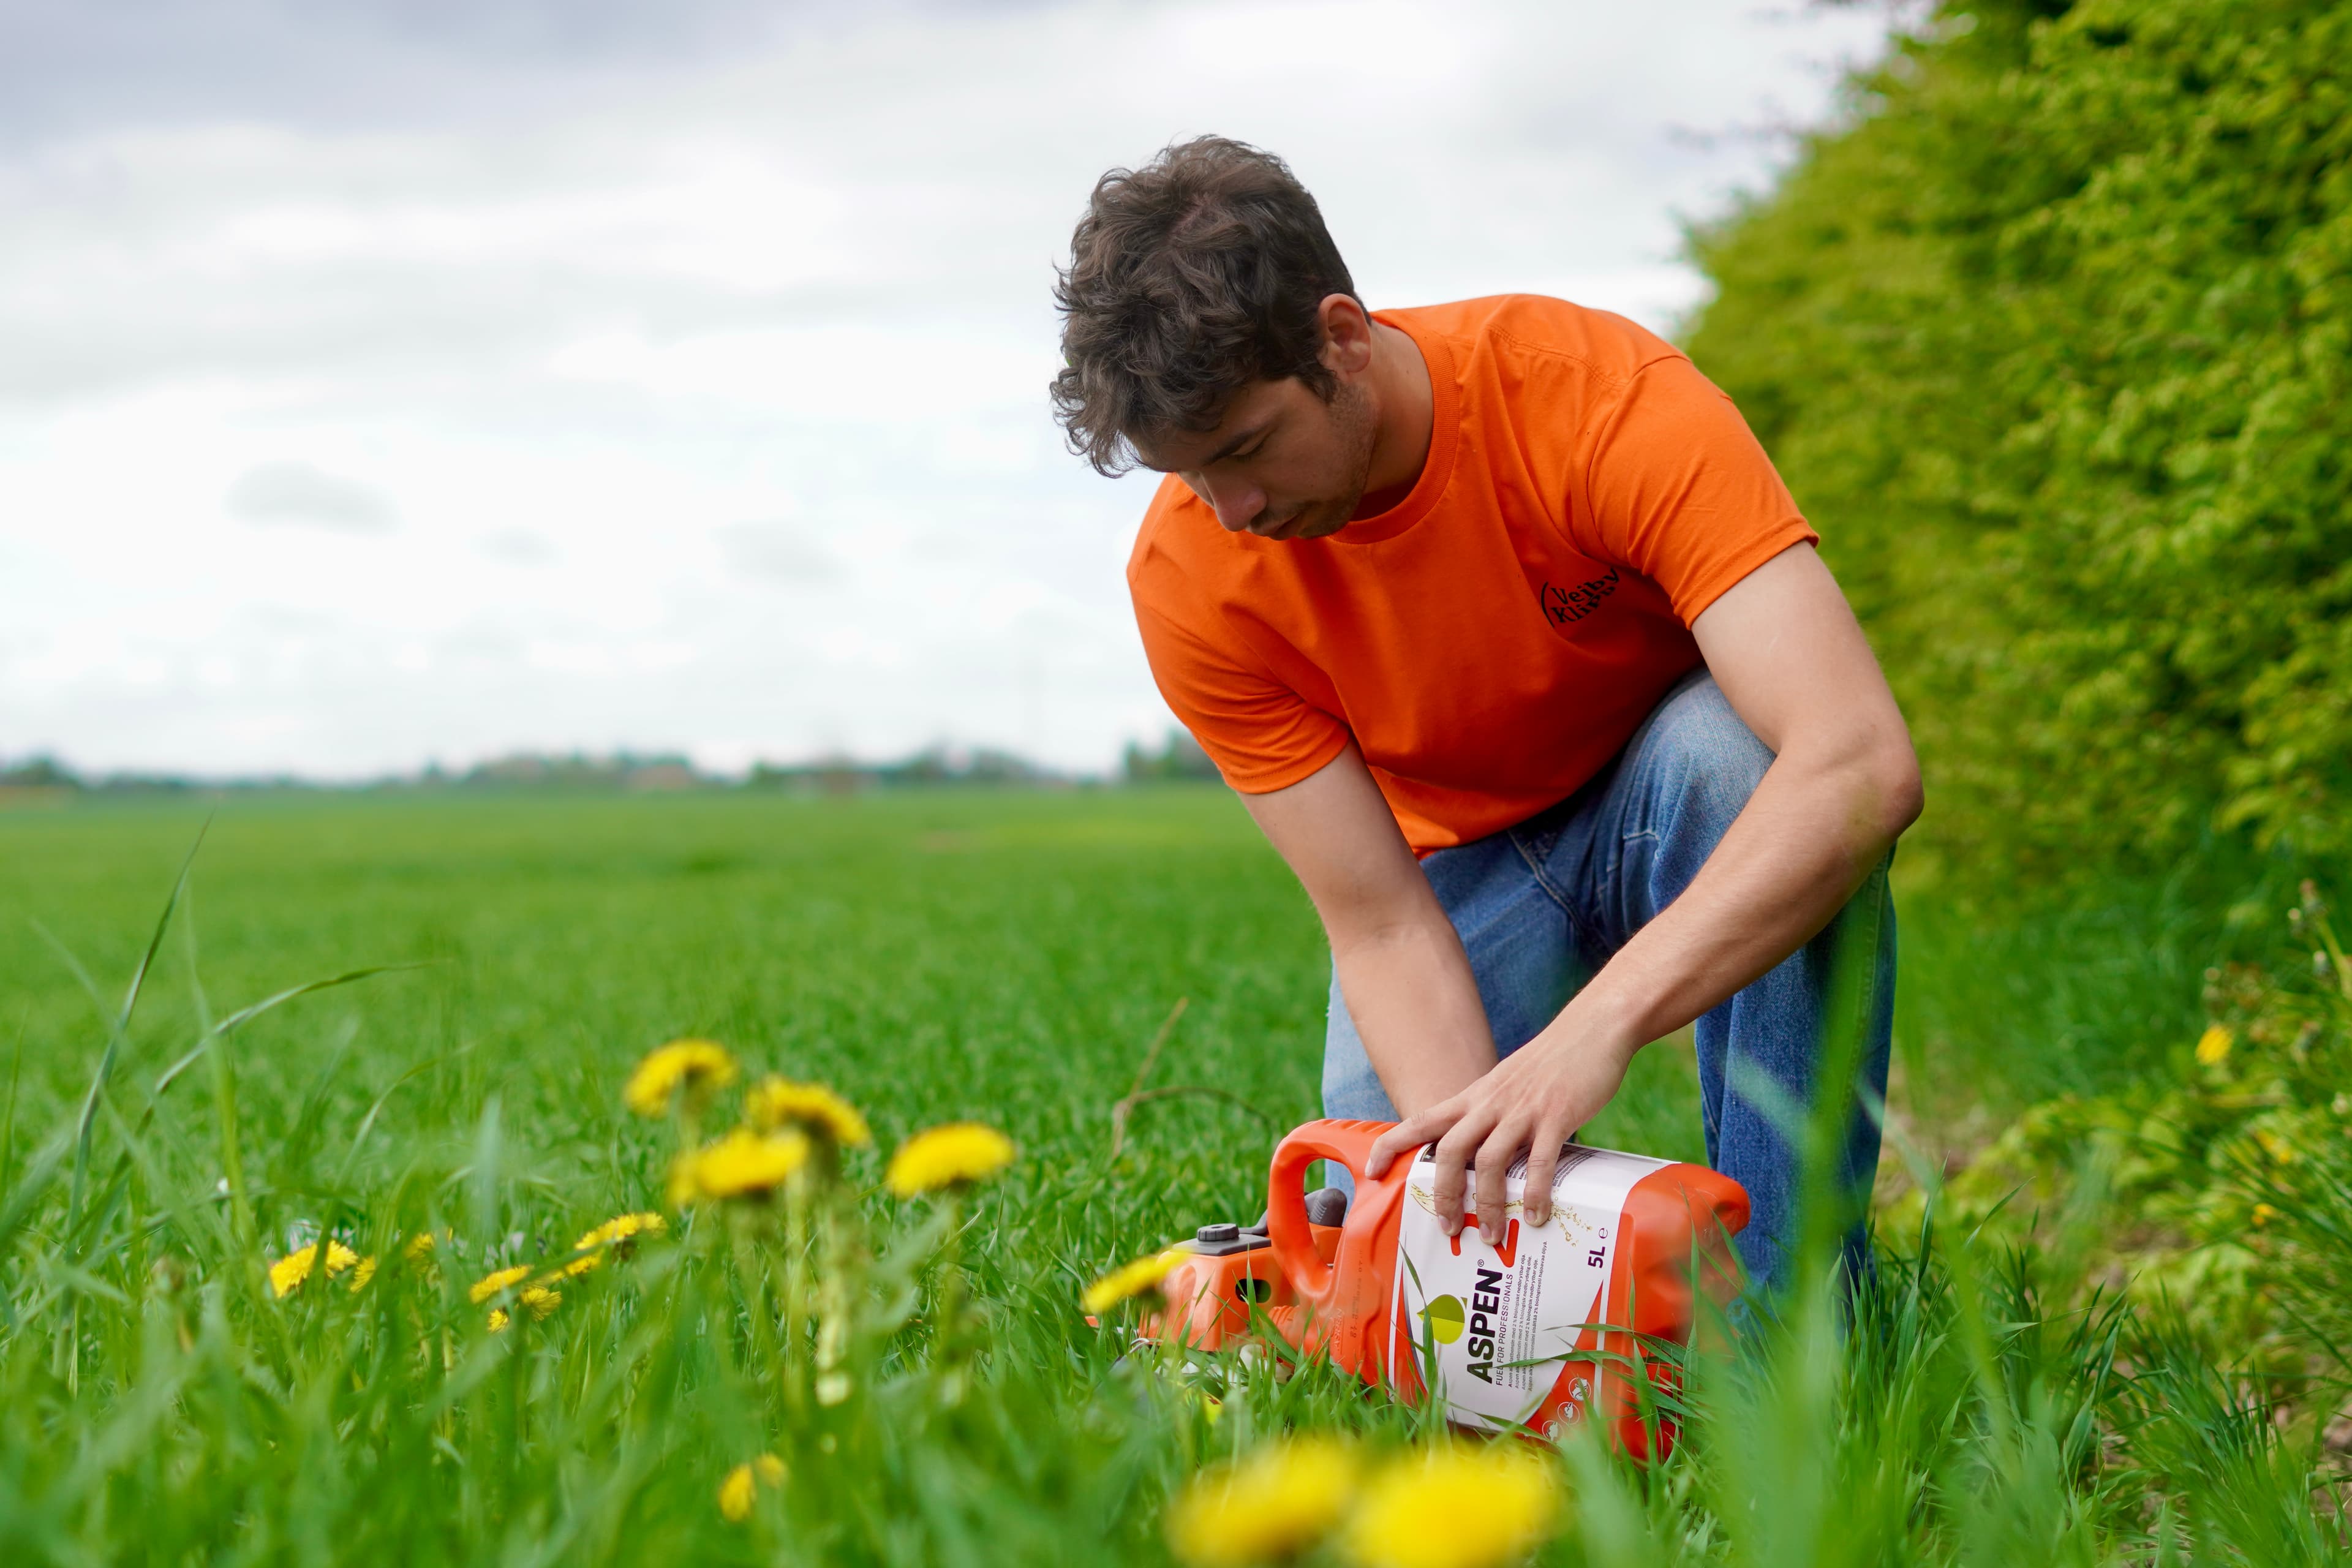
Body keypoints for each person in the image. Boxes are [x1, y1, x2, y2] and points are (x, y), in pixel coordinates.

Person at [1050, 137, 1920, 1292]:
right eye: (1191, 476)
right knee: (1410, 1245)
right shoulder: (1189, 578)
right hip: (1462, 873)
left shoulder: (1592, 397)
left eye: (1247, 450)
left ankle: (1793, 1327)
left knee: (1742, 759)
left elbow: (1857, 763)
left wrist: (1587, 1038)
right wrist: (1480, 1191)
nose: (1234, 508)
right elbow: (1380, 926)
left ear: (1342, 341)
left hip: (1677, 796)